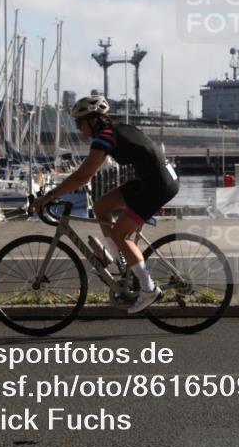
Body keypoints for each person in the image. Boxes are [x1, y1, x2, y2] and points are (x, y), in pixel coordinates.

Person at [29, 95, 179, 313]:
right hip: (154, 179)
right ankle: (116, 259)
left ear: (93, 120)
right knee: (101, 206)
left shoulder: (105, 138)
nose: (79, 129)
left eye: (79, 123)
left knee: (120, 234)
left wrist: (48, 196)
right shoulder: (115, 130)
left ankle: (148, 289)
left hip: (158, 185)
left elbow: (83, 177)